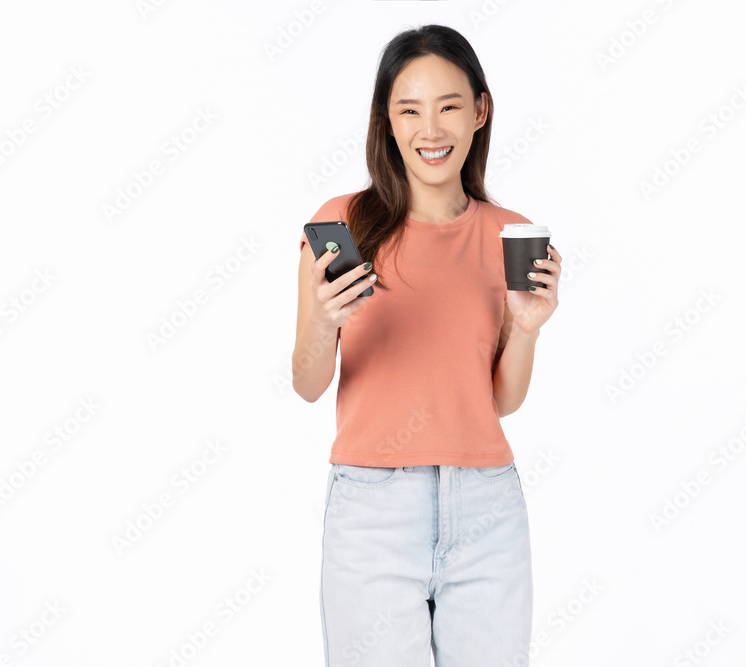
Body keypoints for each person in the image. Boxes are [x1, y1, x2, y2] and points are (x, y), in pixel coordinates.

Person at [292, 24, 561, 666]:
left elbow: (501, 401)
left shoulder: (512, 234)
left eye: (448, 106)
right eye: (409, 110)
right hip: (373, 511)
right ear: (386, 121)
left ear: (480, 111)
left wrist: (527, 326)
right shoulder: (343, 223)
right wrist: (324, 321)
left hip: (487, 507)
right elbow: (306, 383)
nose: (431, 130)